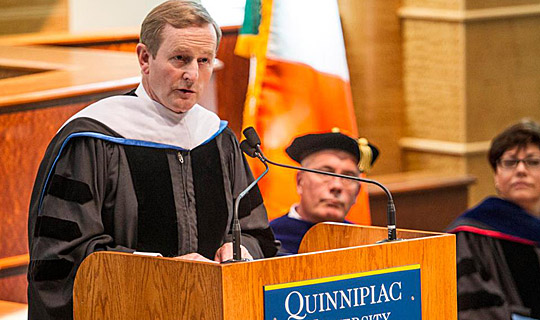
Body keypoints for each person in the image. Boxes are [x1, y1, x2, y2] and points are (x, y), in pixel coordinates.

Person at [27, 1, 278, 319]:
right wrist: (162, 271)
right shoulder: (94, 139)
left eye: (204, 60)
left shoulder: (218, 138)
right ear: (145, 58)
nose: (192, 74)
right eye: (180, 59)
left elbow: (256, 233)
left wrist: (240, 251)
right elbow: (64, 258)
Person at [447, 119, 540, 320]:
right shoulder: (470, 235)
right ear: (497, 176)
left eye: (533, 162)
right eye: (510, 162)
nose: (521, 170)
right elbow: (474, 310)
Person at [270, 131, 378, 254]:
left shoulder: (366, 245)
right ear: (300, 181)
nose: (336, 186)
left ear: (357, 192)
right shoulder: (268, 240)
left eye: (348, 177)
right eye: (325, 173)